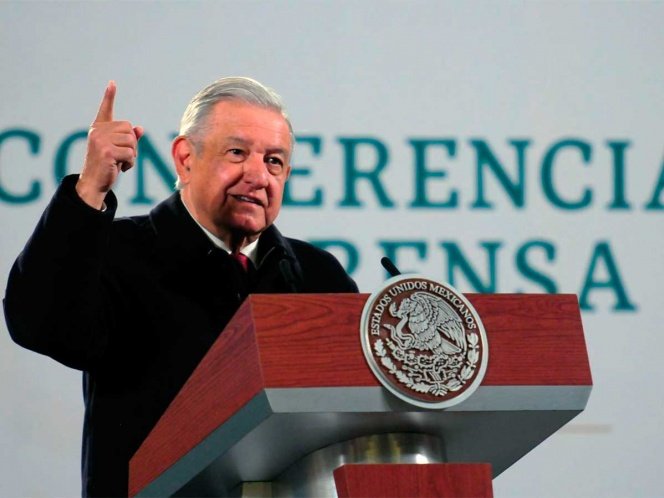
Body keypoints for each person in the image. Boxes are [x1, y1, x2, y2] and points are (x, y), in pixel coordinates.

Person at [3, 77, 358, 497]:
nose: (258, 175)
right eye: (237, 153)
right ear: (186, 159)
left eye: (274, 161)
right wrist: (90, 188)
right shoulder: (118, 253)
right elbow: (39, 323)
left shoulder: (318, 276)